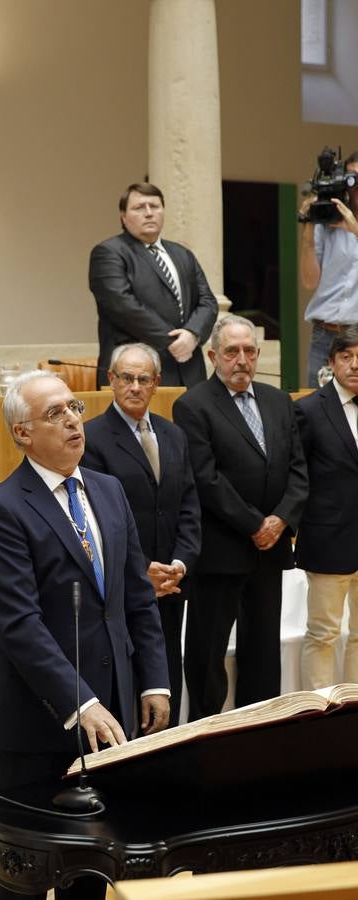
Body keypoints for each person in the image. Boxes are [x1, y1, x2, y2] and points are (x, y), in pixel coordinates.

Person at [0, 370, 170, 900]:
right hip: (38, 724)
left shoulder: (108, 490)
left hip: (116, 720)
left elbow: (137, 597)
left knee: (95, 870)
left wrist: (154, 682)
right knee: (27, 879)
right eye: (54, 414)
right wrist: (80, 701)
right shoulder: (2, 509)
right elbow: (18, 624)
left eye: (74, 408)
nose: (73, 422)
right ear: (22, 432)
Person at [172, 316, 308, 720]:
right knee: (208, 654)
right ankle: (205, 736)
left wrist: (280, 520)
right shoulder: (193, 405)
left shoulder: (279, 401)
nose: (242, 359)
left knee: (263, 651)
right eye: (232, 351)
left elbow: (299, 472)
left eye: (249, 351)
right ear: (213, 355)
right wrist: (255, 524)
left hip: (270, 552)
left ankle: (258, 732)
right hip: (221, 550)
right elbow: (206, 478)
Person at [82, 342, 200, 726]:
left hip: (172, 582)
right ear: (111, 381)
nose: (135, 386)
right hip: (121, 585)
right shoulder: (92, 438)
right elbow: (99, 517)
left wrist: (180, 563)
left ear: (156, 384)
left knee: (168, 672)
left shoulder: (173, 434)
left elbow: (188, 505)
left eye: (143, 379)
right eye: (126, 378)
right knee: (128, 681)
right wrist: (141, 571)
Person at [89, 182, 218, 388]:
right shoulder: (109, 252)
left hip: (190, 368)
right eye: (139, 208)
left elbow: (208, 301)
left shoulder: (182, 254)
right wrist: (174, 343)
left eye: (154, 206)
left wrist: (193, 335)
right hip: (136, 372)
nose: (149, 213)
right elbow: (122, 306)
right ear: (123, 216)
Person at [295, 326, 358, 688]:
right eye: (346, 356)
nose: (354, 364)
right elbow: (297, 477)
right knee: (323, 634)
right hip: (327, 540)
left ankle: (352, 714)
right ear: (331, 362)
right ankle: (317, 716)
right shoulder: (308, 410)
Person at [300, 150, 358, 387]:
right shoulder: (327, 222)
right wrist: (309, 228)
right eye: (352, 177)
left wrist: (355, 229)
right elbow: (309, 282)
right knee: (317, 411)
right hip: (325, 334)